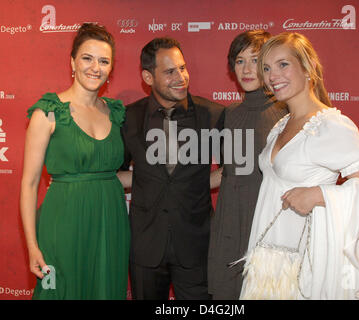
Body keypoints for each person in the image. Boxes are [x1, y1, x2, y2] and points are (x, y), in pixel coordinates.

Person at [240, 32, 359, 300]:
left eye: (283, 64)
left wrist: (319, 195)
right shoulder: (280, 126)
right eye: (267, 68)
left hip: (304, 271)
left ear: (307, 67)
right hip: (267, 264)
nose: (273, 75)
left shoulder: (331, 125)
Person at [20, 23, 130, 299]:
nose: (95, 67)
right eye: (87, 58)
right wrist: (32, 246)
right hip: (64, 221)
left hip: (111, 222)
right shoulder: (48, 113)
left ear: (111, 69)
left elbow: (110, 175)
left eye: (104, 61)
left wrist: (163, 177)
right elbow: (30, 184)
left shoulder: (115, 113)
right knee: (61, 291)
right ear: (72, 62)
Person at [118, 37, 225, 300]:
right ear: (148, 76)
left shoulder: (212, 114)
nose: (181, 77)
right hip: (145, 246)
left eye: (183, 68)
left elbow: (230, 172)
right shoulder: (129, 118)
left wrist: (196, 183)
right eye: (169, 71)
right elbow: (117, 174)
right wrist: (146, 180)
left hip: (196, 243)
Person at [207, 30, 288, 300]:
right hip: (230, 220)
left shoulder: (287, 112)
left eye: (255, 60)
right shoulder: (230, 114)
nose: (247, 69)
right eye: (239, 61)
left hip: (267, 220)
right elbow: (229, 171)